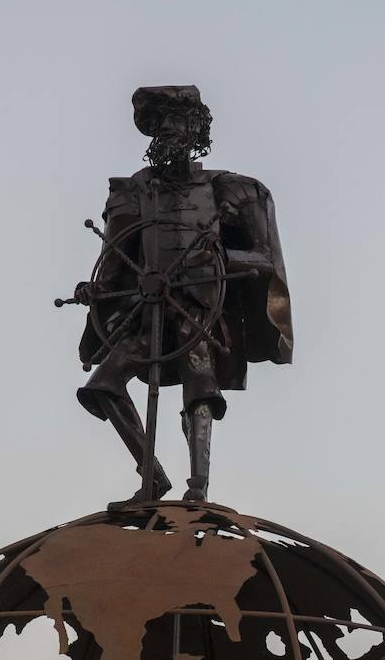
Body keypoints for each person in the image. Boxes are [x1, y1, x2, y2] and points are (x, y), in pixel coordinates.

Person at [74, 85, 292, 504]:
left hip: (199, 315)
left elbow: (264, 257)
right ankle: (152, 477)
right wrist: (94, 289)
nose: (168, 137)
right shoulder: (133, 190)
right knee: (103, 384)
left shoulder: (232, 190)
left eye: (176, 128)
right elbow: (116, 258)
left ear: (196, 133)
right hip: (148, 312)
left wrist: (216, 257)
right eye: (161, 131)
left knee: (200, 388)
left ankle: (198, 488)